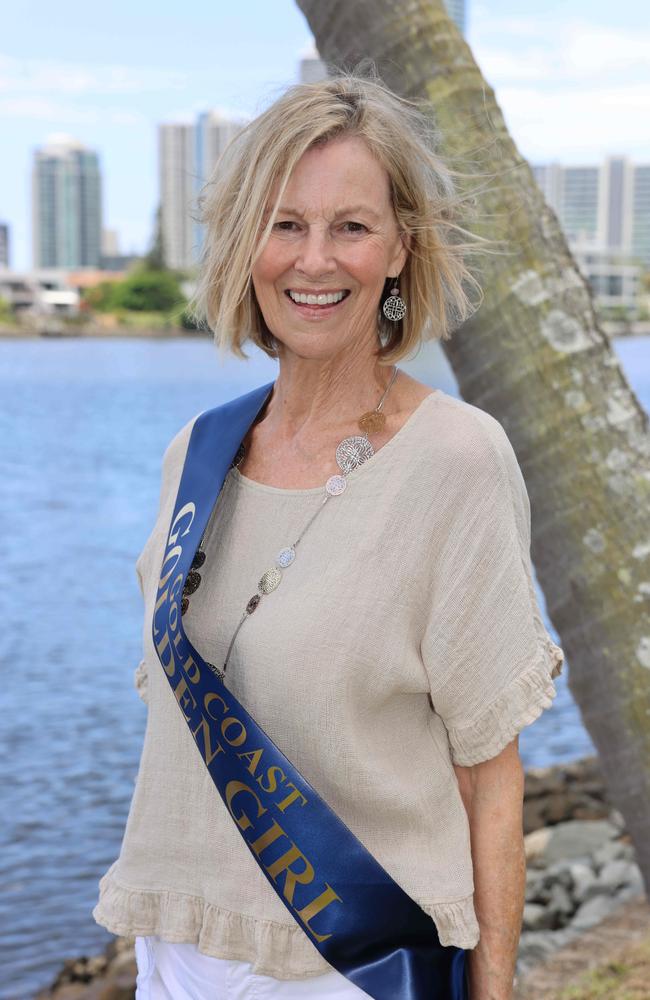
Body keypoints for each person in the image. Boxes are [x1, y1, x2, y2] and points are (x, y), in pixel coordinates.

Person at [92, 70, 564, 1000]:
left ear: (398, 250)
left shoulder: (457, 460)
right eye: (284, 224)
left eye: (351, 226)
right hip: (172, 954)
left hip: (349, 970)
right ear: (246, 245)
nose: (316, 260)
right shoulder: (198, 453)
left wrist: (495, 987)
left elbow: (491, 777)